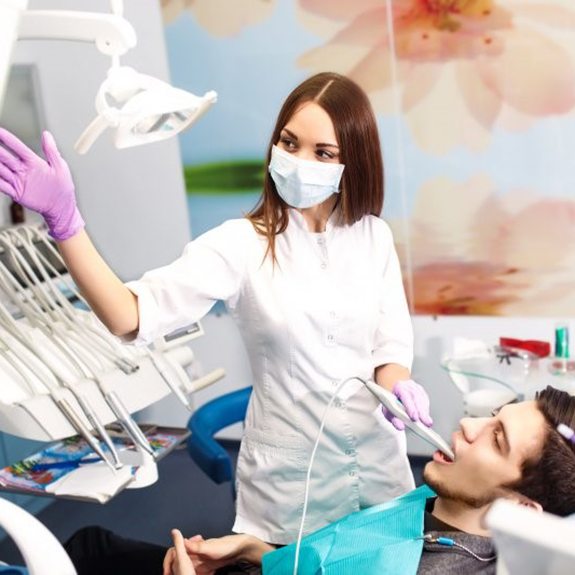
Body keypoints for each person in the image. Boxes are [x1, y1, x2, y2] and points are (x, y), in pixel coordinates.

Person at [0, 72, 432, 544]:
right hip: (290, 490)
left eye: (323, 153)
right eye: (288, 143)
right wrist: (66, 223)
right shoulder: (241, 245)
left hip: (378, 473)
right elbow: (130, 314)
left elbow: (389, 347)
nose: (298, 161)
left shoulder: (374, 237)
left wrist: (399, 388)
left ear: (352, 161)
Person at [60, 385, 575, 575]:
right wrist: (254, 550)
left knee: (88, 547)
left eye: (497, 440)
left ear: (525, 508)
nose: (468, 424)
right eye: (494, 414)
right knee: (92, 545)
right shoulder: (439, 509)